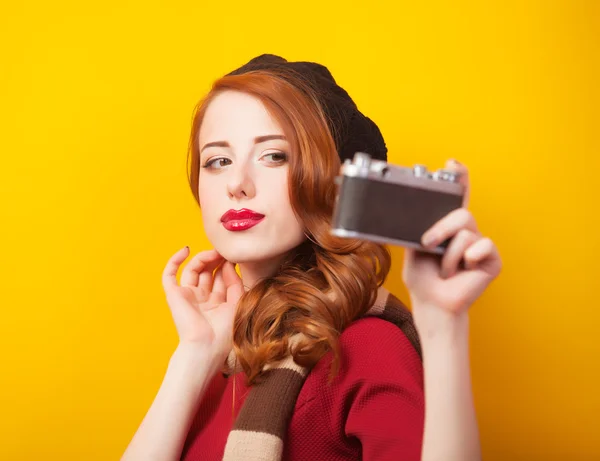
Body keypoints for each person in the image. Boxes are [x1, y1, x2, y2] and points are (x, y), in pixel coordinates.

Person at [121, 54, 502, 461]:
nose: (237, 184)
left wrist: (443, 327)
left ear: (331, 182)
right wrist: (194, 354)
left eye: (274, 155)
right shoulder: (222, 357)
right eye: (218, 161)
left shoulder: (365, 350)